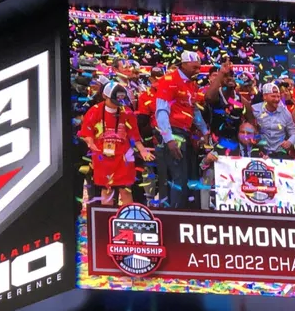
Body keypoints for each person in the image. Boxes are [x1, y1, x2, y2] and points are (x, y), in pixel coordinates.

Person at [78, 81, 153, 206]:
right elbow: (87, 133)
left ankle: (126, 220)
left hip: (124, 157)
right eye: (114, 101)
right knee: (107, 191)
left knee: (126, 191)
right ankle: (107, 220)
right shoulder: (94, 111)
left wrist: (142, 150)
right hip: (102, 156)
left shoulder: (127, 112)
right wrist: (91, 144)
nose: (117, 105)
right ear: (104, 96)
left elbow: (134, 135)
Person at [154, 50, 209, 209]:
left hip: (187, 133)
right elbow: (161, 111)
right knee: (177, 179)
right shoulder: (169, 80)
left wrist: (204, 130)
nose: (198, 71)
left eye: (199, 67)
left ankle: (184, 214)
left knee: (187, 178)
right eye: (194, 67)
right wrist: (169, 139)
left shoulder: (192, 84)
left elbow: (195, 110)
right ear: (184, 65)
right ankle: (172, 217)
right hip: (173, 132)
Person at [251, 82, 295, 155]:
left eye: (278, 96)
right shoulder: (255, 110)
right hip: (260, 150)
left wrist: (289, 142)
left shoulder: (285, 113)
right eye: (273, 96)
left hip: (280, 151)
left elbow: (293, 133)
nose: (277, 99)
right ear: (264, 96)